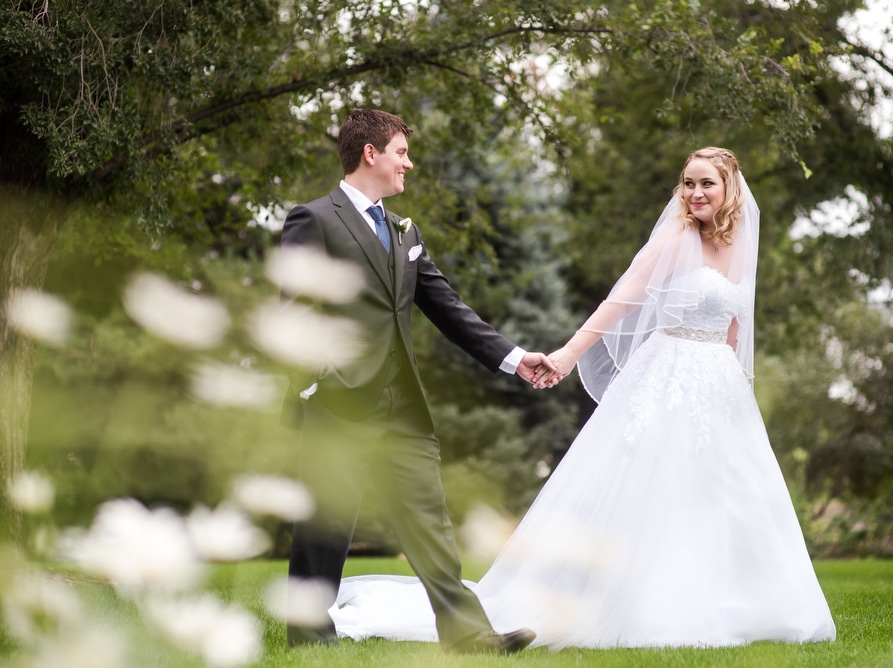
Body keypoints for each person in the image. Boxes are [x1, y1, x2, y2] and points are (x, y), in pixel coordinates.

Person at [323, 147, 837, 649]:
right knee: (658, 485)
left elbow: (734, 324)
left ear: (730, 190)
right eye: (689, 183)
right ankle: (643, 605)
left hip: (719, 384)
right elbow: (622, 298)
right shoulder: (676, 236)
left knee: (727, 494)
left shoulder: (743, 243)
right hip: (668, 373)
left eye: (707, 183)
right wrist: (567, 355)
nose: (696, 192)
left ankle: (739, 605)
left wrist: (735, 390)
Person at [279, 108, 553, 654]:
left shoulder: (405, 232)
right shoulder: (314, 219)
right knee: (327, 524)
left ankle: (470, 636)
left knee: (430, 522)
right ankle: (309, 638)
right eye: (402, 151)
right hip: (338, 403)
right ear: (370, 154)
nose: (410, 162)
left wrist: (515, 358)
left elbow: (449, 308)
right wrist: (316, 382)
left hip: (402, 406)